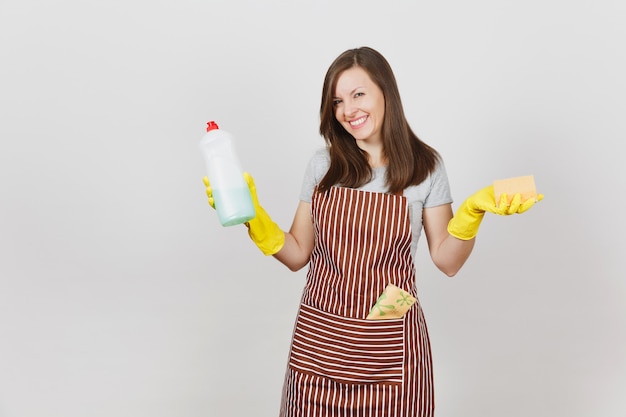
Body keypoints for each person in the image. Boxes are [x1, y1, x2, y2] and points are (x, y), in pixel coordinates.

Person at [203, 46, 542, 417]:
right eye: (337, 101)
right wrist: (255, 219)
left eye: (358, 94)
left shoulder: (426, 167)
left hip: (390, 354)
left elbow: (448, 261)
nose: (348, 111)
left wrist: (472, 213)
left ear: (385, 92)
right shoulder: (324, 165)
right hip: (320, 349)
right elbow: (298, 253)